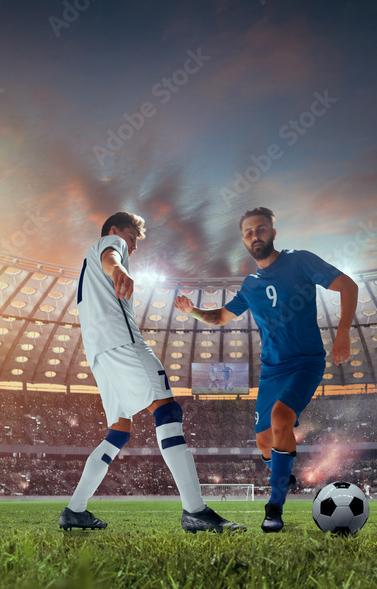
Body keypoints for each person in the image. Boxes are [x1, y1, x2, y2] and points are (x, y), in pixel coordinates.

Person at [174, 206, 357, 532]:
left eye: (260, 229)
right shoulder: (251, 285)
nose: (254, 236)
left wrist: (343, 331)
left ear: (273, 232)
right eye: (248, 232)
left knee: (281, 418)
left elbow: (348, 285)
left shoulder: (299, 260)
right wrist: (193, 311)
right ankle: (283, 475)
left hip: (305, 361)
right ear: (243, 240)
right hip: (272, 370)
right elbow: (220, 318)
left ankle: (274, 508)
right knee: (262, 442)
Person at [60, 211, 243, 533]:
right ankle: (195, 511)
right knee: (168, 409)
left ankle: (75, 510)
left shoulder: (88, 267)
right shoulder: (109, 243)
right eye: (132, 239)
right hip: (120, 341)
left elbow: (110, 258)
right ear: (117, 230)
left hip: (99, 352)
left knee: (118, 432)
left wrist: (116, 268)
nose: (133, 247)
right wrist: (118, 269)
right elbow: (111, 255)